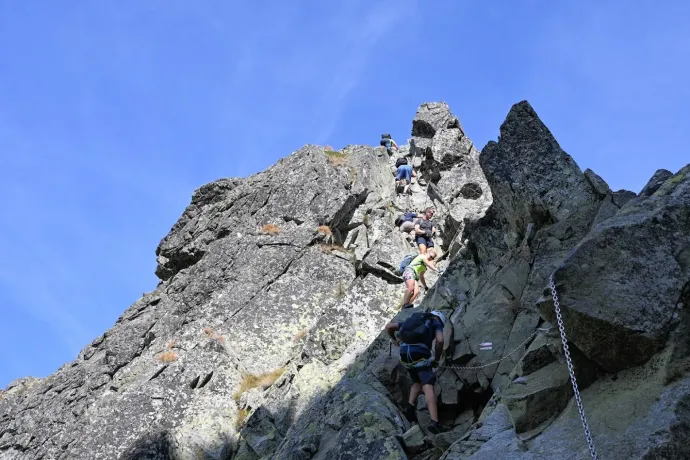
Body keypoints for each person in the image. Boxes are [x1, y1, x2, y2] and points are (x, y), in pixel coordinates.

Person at [385, 310, 446, 435]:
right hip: (419, 354)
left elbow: (389, 327)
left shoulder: (415, 321)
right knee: (428, 385)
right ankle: (435, 422)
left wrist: (394, 339)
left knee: (417, 381)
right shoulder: (436, 322)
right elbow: (440, 340)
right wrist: (437, 359)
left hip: (404, 355)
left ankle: (410, 407)